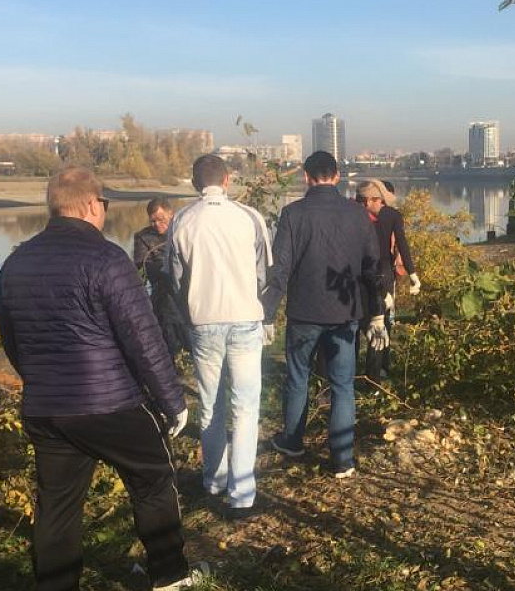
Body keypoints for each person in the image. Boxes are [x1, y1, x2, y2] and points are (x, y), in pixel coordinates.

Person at [0, 166, 194, 591]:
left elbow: (12, 336)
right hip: (110, 403)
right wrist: (172, 401)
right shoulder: (106, 259)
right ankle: (168, 574)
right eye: (104, 204)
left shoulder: (16, 263)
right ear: (91, 205)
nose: (104, 211)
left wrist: (39, 380)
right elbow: (143, 338)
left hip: (47, 409)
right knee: (152, 478)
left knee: (58, 507)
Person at [262, 151, 388, 478]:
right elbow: (372, 268)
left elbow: (280, 270)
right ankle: (343, 460)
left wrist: (267, 314)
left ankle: (292, 442)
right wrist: (375, 314)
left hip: (304, 312)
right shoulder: (358, 215)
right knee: (343, 385)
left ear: (306, 177)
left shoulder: (291, 214)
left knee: (298, 378)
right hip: (345, 313)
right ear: (336, 176)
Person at [168, 155, 271, 518]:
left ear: (195, 183)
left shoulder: (182, 220)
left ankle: (213, 481)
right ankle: (242, 493)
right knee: (246, 406)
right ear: (228, 180)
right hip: (244, 318)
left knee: (211, 404)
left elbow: (176, 278)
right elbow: (263, 274)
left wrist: (191, 310)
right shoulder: (249, 217)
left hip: (203, 320)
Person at [354, 180, 421, 381]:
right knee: (382, 321)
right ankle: (376, 372)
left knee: (358, 321)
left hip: (360, 272)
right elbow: (402, 244)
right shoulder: (393, 216)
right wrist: (412, 274)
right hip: (383, 273)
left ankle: (352, 369)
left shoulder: (357, 216)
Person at [133, 198, 188, 359]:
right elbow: (142, 264)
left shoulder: (183, 230)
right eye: (153, 221)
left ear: (171, 214)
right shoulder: (143, 237)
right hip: (161, 289)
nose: (157, 224)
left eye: (161, 219)